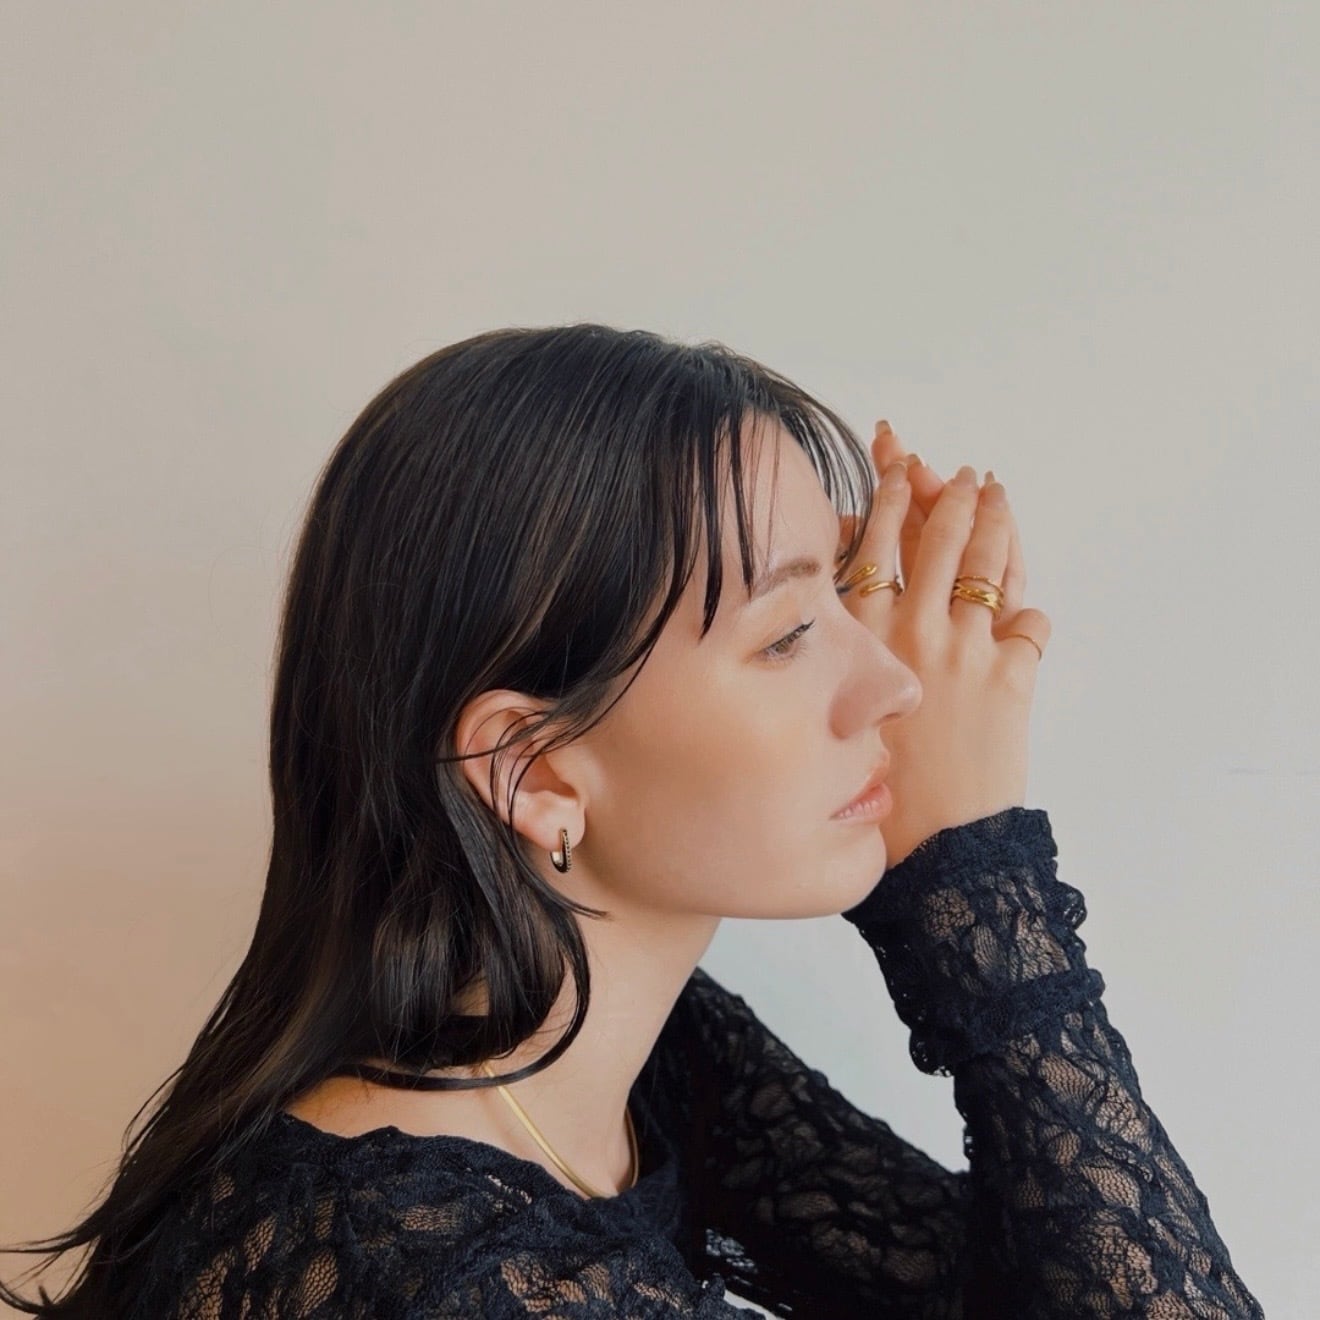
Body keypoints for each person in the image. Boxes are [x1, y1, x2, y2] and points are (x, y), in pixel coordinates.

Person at [0, 325, 1263, 1317]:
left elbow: (1036, 1292)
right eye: (789, 633)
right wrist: (967, 870)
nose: (895, 683)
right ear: (534, 771)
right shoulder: (426, 1271)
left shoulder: (610, 1059)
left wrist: (952, 886)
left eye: (844, 597)